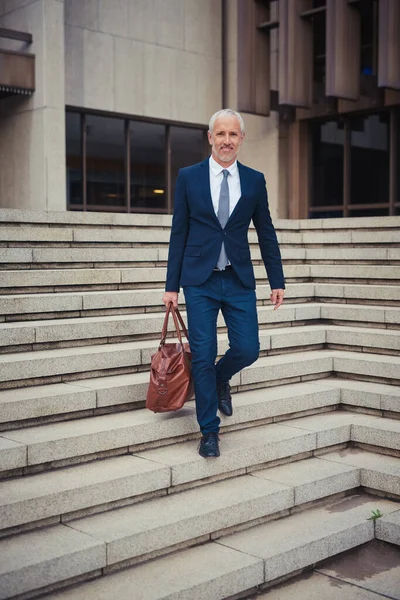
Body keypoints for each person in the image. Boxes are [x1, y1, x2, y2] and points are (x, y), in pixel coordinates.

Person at [162, 108, 285, 458]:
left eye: (233, 135)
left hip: (238, 278)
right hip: (198, 281)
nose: (227, 141)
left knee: (248, 348)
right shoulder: (189, 177)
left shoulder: (255, 180)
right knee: (202, 355)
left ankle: (220, 378)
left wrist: (277, 280)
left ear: (241, 139)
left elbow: (266, 231)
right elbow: (179, 233)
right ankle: (209, 432)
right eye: (221, 134)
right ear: (210, 137)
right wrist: (172, 287)